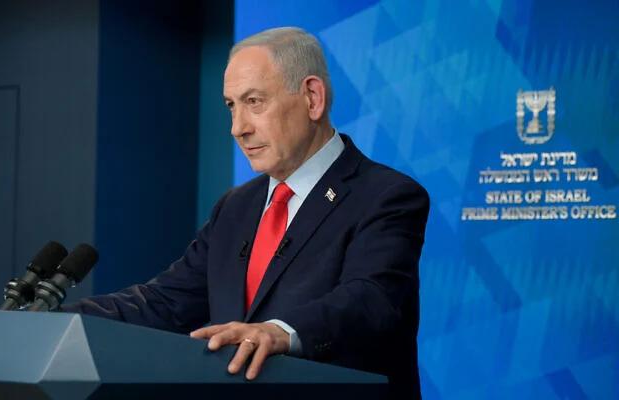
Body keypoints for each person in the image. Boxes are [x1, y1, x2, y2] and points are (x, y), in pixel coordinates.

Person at [62, 27, 429, 396]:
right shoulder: (235, 207)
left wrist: (279, 332)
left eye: (254, 102)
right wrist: (54, 320)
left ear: (312, 98)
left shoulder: (386, 195)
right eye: (231, 106)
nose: (238, 128)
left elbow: (371, 299)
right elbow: (166, 302)